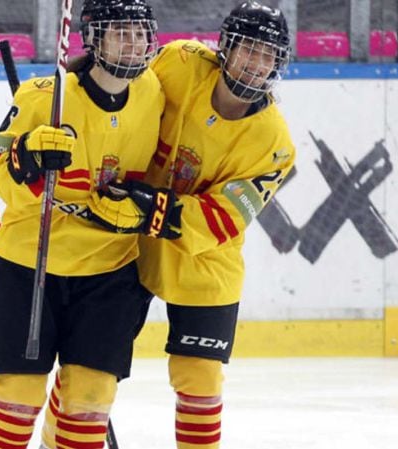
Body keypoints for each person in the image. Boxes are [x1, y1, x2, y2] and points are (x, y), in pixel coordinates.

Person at [0, 1, 180, 448]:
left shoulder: (153, 92)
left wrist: (144, 209)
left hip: (110, 271)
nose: (133, 42)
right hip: (29, 265)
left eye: (141, 32)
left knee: (91, 395)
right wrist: (24, 158)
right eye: (120, 32)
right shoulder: (42, 97)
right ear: (93, 37)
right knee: (18, 393)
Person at [135, 2, 296, 448]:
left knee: (199, 379)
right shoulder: (180, 63)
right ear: (225, 46)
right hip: (123, 241)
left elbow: (224, 219)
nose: (258, 64)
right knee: (91, 369)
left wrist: (152, 205)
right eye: (250, 49)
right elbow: (115, 87)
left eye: (269, 55)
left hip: (204, 261)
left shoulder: (275, 144)